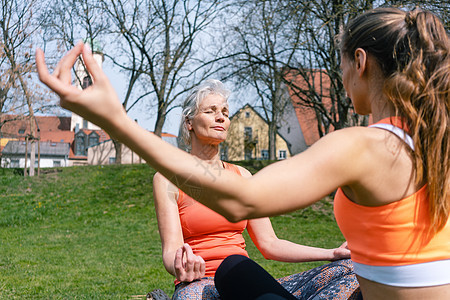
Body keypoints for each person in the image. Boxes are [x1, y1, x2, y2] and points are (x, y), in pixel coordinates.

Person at [36, 6, 450, 299]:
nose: (340, 77)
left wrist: (117, 121)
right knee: (237, 271)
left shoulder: (363, 145)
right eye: (210, 111)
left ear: (360, 62)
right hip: (202, 282)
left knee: (248, 272)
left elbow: (241, 204)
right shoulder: (436, 141)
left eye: (340, 64)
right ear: (189, 121)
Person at [153, 79, 357, 299]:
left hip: (245, 281)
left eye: (224, 111)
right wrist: (181, 265)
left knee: (350, 271)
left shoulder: (242, 176)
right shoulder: (168, 179)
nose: (221, 117)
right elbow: (170, 250)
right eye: (210, 111)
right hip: (200, 286)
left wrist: (332, 254)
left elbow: (270, 243)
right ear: (189, 122)